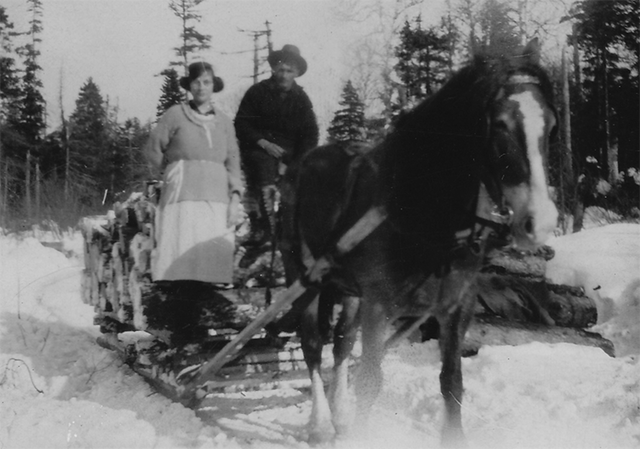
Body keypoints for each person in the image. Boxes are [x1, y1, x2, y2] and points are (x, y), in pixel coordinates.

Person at [144, 61, 242, 314]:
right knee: (181, 261)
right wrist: (169, 173)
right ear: (189, 86)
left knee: (209, 260)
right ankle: (181, 324)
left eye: (206, 82)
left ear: (213, 86)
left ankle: (205, 325)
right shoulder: (175, 114)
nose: (201, 87)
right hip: (182, 195)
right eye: (196, 81)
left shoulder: (224, 122)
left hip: (216, 198)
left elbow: (232, 160)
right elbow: (153, 149)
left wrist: (234, 196)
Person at [234, 44, 319, 255]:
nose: (284, 75)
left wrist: (293, 161)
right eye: (281, 69)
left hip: (289, 153)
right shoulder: (257, 92)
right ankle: (263, 228)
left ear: (297, 73)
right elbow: (242, 124)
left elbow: (310, 134)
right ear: (274, 69)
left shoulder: (301, 99)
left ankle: (295, 231)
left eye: (289, 71)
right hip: (260, 148)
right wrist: (263, 142)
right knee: (262, 167)